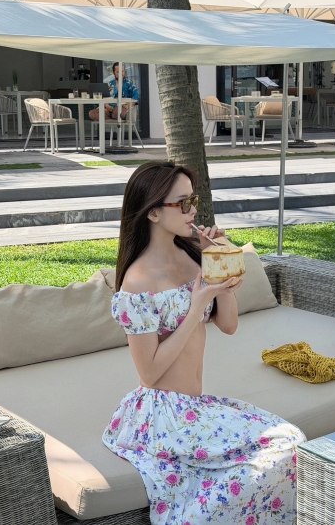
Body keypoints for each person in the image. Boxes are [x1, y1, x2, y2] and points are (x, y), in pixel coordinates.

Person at [102, 161, 305, 524]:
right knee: (273, 455)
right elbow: (149, 373)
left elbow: (228, 325)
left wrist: (221, 264)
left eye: (192, 200)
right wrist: (196, 306)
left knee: (290, 440)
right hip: (163, 415)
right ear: (152, 213)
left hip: (195, 406)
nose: (192, 210)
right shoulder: (138, 282)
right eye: (182, 203)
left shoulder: (193, 255)